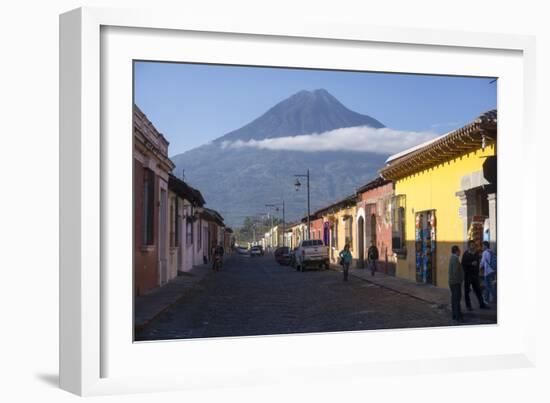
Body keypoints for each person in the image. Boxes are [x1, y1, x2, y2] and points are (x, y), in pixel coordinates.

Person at [462, 240, 488, 310]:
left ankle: (482, 304)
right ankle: (468, 306)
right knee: (467, 291)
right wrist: (471, 264)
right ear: (469, 246)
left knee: (478, 290)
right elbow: (463, 264)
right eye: (471, 245)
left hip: (475, 275)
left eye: (473, 245)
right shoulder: (466, 254)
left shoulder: (476, 253)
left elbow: (478, 262)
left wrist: (477, 271)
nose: (473, 246)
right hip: (468, 275)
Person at [448, 245, 464, 323]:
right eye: (459, 250)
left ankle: (455, 315)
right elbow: (455, 271)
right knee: (456, 299)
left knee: (454, 299)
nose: (460, 252)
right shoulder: (455, 258)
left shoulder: (453, 258)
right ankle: (457, 316)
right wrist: (460, 279)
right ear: (456, 251)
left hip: (453, 282)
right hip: (455, 282)